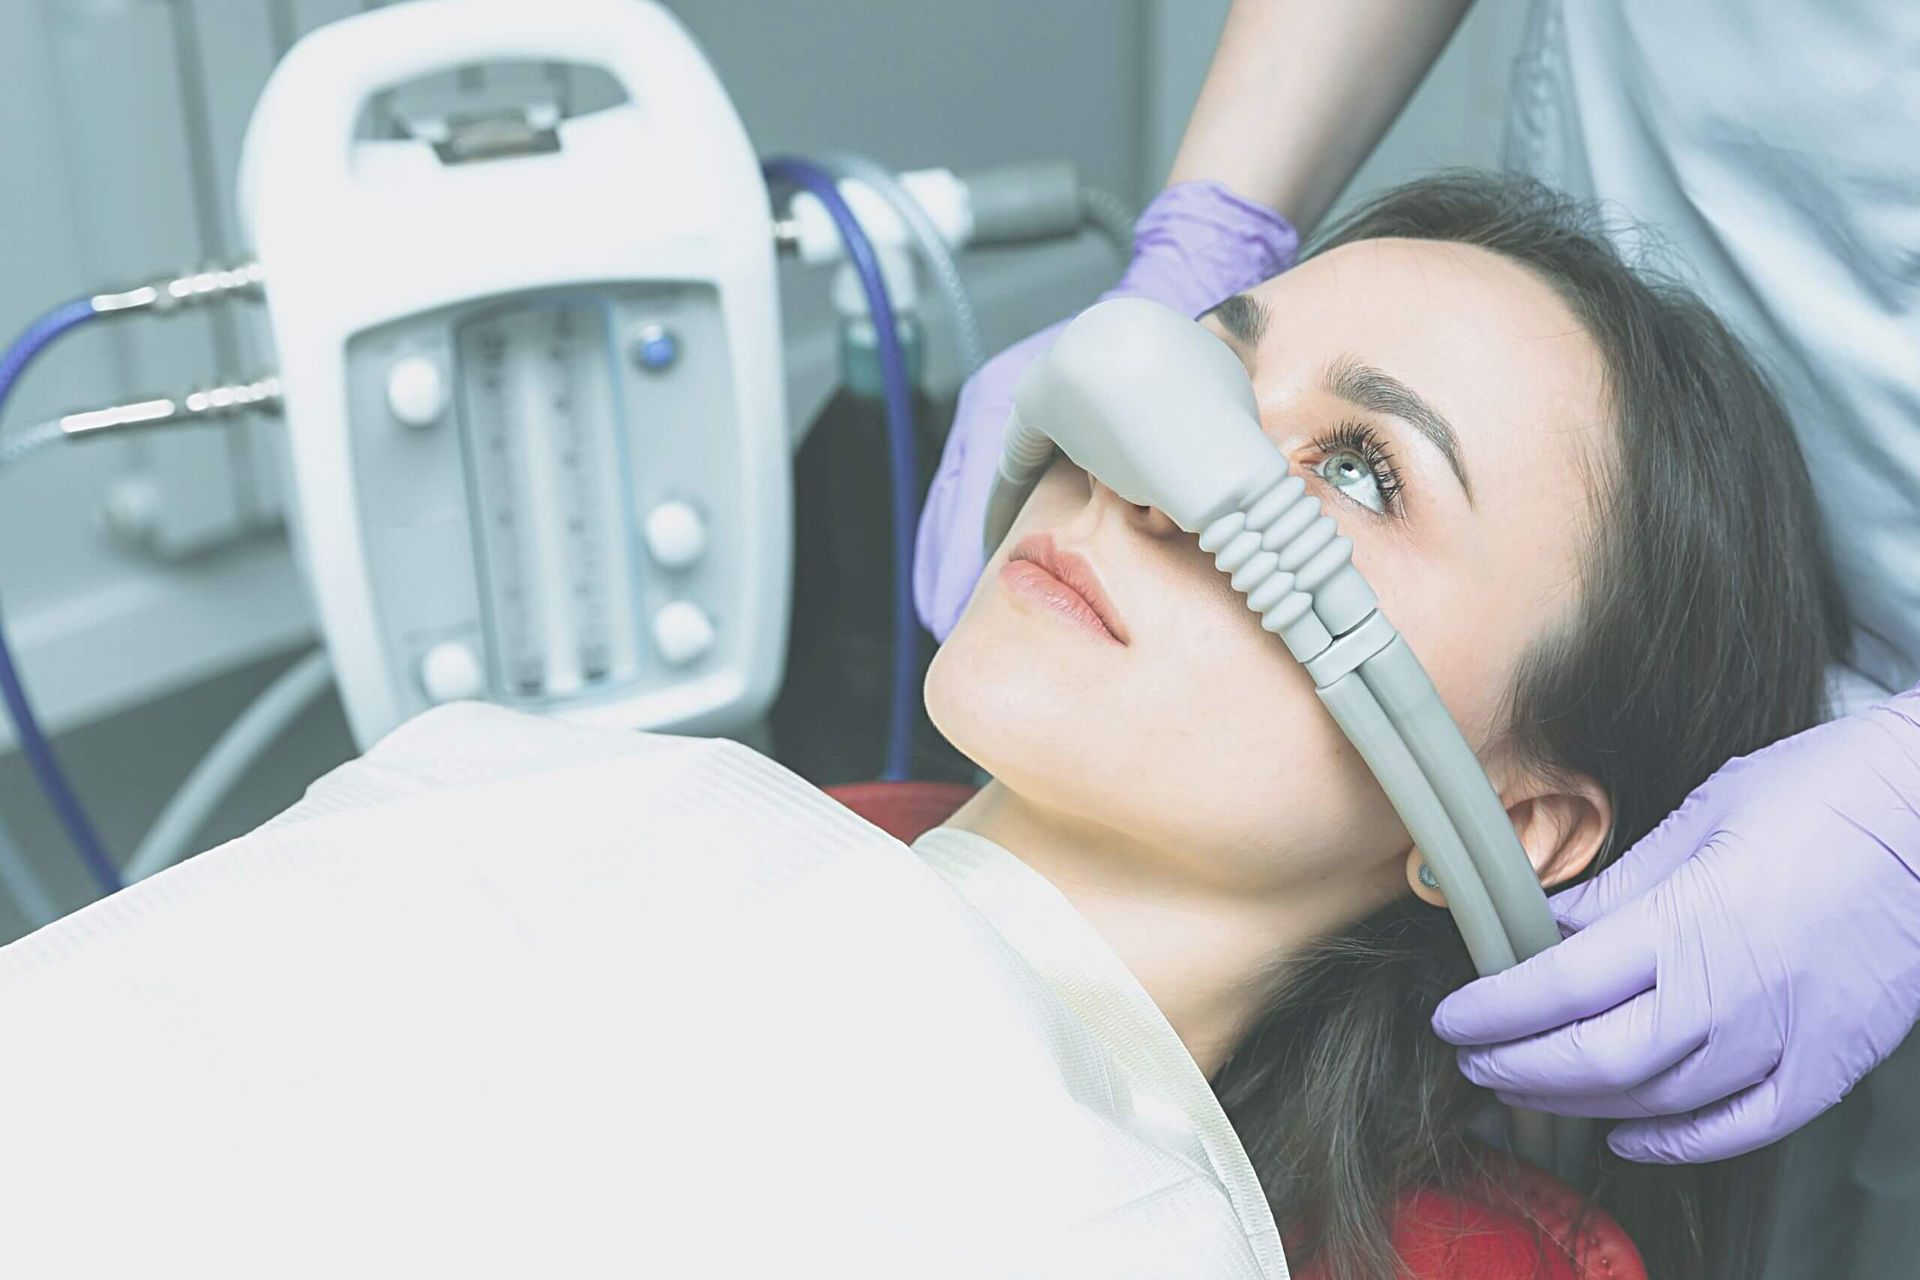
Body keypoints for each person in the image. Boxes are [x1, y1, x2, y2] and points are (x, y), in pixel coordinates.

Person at [914, 5, 1920, 1275]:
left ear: (1516, 825)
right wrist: (1211, 226)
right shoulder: (635, 827)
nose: (1143, 467)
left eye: (1361, 472)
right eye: (1207, 359)